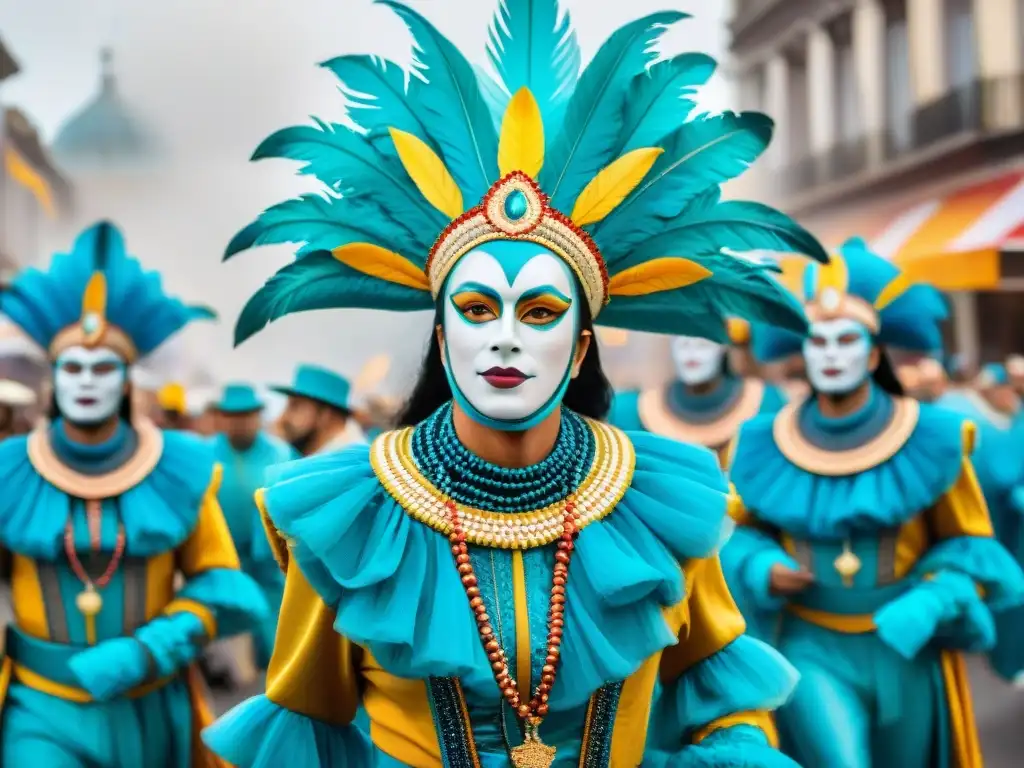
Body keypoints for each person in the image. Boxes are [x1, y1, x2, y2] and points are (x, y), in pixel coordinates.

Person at [203, 1, 832, 764]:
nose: (505, 334)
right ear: (442, 337)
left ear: (579, 347)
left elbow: (725, 707)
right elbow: (307, 731)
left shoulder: (659, 502)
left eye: (539, 311)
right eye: (475, 308)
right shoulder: (352, 517)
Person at [726, 237, 1024, 767]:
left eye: (847, 339)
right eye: (818, 342)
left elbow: (972, 546)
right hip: (810, 646)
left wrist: (932, 600)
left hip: (905, 648)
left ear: (875, 351)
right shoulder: (761, 440)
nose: (833, 354)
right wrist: (761, 565)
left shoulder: (934, 436)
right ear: (803, 353)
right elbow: (733, 533)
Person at [0, 222, 269, 767]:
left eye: (104, 368)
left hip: (151, 709)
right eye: (72, 367)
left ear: (126, 381)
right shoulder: (9, 469)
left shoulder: (178, 468)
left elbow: (229, 588)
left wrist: (153, 648)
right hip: (40, 708)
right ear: (54, 379)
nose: (87, 381)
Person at [610, 319, 786, 465]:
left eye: (702, 345)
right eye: (683, 344)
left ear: (723, 346)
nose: (692, 355)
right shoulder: (639, 409)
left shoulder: (763, 402)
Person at [210, 383, 297, 668]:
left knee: (275, 634)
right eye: (233, 415)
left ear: (258, 416)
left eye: (247, 415)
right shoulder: (207, 455)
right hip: (223, 559)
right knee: (225, 637)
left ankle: (277, 680)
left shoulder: (280, 454)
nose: (240, 422)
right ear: (221, 418)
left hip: (269, 563)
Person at [272, 364, 363, 455]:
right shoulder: (320, 455)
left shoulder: (348, 460)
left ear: (326, 415)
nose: (282, 419)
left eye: (295, 407)